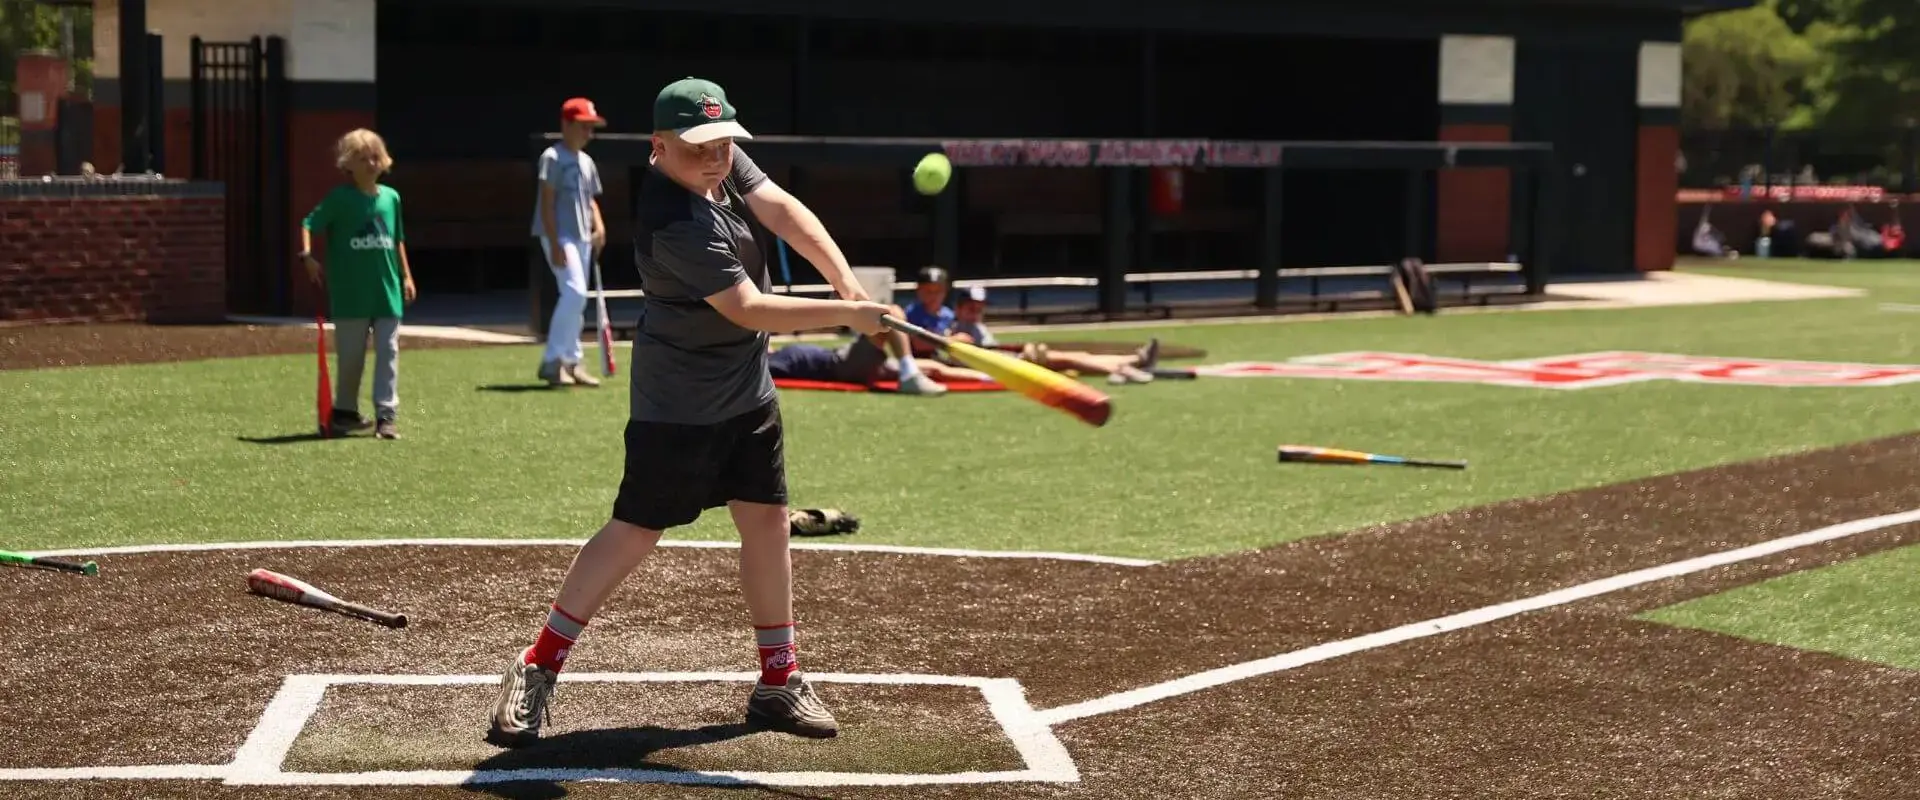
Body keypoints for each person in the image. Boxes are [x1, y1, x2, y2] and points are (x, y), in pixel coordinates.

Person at [487, 77, 895, 747]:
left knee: (766, 523)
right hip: (677, 407)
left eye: (724, 143)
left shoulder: (722, 164)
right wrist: (850, 313)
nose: (716, 158)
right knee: (635, 532)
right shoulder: (672, 217)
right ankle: (538, 666)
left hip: (747, 394)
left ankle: (778, 680)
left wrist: (846, 278)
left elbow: (783, 208)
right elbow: (747, 309)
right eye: (698, 148)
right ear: (659, 147)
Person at [299, 128, 416, 440]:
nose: (371, 163)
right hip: (352, 293)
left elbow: (397, 240)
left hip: (386, 290)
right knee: (351, 358)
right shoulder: (340, 199)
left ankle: (386, 415)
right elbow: (309, 223)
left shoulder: (391, 199)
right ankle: (345, 412)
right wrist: (307, 256)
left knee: (388, 352)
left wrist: (406, 275)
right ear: (348, 164)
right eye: (362, 158)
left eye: (375, 157)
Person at [531, 97, 609, 388]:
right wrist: (554, 242)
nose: (588, 133)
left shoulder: (587, 162)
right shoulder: (552, 157)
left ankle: (572, 362)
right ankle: (553, 361)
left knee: (576, 299)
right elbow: (546, 204)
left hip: (582, 237)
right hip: (559, 235)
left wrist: (599, 227)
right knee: (575, 293)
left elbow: (590, 201)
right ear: (566, 125)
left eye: (591, 128)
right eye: (583, 126)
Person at [951, 286, 1162, 384]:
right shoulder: (957, 330)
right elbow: (959, 354)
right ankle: (1124, 368)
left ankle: (1136, 360)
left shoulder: (978, 327)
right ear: (958, 309)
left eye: (979, 308)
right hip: (1007, 367)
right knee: (1069, 359)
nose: (975, 313)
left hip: (1013, 361)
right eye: (970, 308)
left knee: (1077, 357)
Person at [768, 322, 991, 392]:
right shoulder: (770, 362)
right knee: (888, 315)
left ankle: (994, 378)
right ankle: (909, 370)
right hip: (842, 365)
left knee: (934, 368)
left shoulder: (776, 354)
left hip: (849, 361)